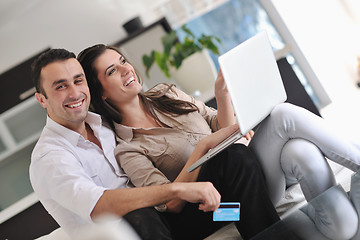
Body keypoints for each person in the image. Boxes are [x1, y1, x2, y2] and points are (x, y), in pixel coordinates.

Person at [78, 44, 360, 240]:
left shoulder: (168, 93)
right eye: (112, 71)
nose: (126, 70)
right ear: (101, 93)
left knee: (298, 148)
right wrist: (203, 148)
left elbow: (223, 130)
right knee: (283, 116)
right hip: (225, 205)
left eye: (123, 61)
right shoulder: (128, 148)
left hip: (247, 170)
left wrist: (222, 94)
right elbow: (170, 203)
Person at [29, 48, 289, 240]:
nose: (74, 93)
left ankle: (263, 227)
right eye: (60, 86)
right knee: (137, 215)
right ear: (42, 99)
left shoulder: (105, 127)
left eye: (78, 81)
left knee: (234, 163)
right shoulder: (49, 157)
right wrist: (176, 190)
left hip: (176, 226)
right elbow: (99, 205)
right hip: (131, 232)